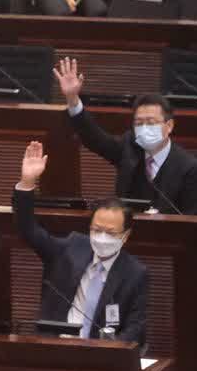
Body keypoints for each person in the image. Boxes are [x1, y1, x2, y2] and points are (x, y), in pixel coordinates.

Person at [13, 140, 148, 351]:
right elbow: (28, 229)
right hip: (53, 348)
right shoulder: (70, 248)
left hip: (99, 354)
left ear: (125, 236)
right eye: (97, 230)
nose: (102, 237)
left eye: (111, 233)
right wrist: (27, 182)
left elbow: (135, 328)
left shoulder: (134, 273)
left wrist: (110, 352)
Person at [55, 56, 197, 215]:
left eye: (151, 122)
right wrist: (72, 99)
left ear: (169, 126)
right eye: (139, 123)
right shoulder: (129, 147)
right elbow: (94, 139)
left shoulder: (190, 167)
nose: (144, 128)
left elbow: (193, 220)